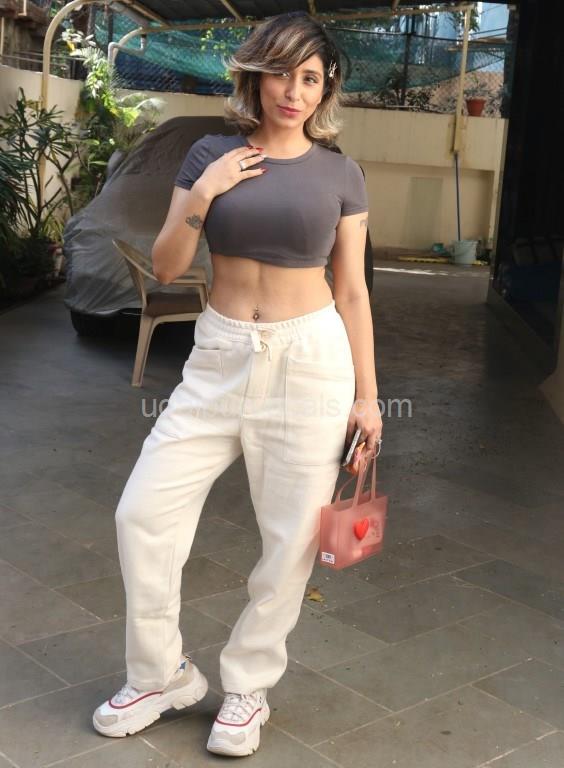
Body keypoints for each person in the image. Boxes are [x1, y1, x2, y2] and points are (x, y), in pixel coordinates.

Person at [92, 10, 382, 758]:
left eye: (311, 78)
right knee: (142, 513)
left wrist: (368, 397)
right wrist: (206, 191)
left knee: (290, 537)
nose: (294, 91)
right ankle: (160, 674)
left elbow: (353, 292)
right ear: (255, 75)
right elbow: (165, 268)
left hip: (311, 359)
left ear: (326, 90)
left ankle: (249, 684)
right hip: (218, 356)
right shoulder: (211, 155)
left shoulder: (341, 174)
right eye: (281, 72)